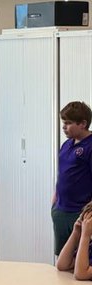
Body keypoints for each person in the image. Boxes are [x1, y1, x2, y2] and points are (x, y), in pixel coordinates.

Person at [52, 101, 92, 257]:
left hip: (80, 212)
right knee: (62, 258)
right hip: (61, 210)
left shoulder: (89, 146)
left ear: (82, 124)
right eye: (63, 123)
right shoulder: (66, 144)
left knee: (80, 261)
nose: (64, 127)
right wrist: (54, 201)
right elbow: (63, 174)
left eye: (68, 123)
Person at [56, 201, 92, 280]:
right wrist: (76, 233)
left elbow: (81, 274)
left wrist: (85, 236)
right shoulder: (89, 247)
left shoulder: (86, 240)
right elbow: (62, 265)